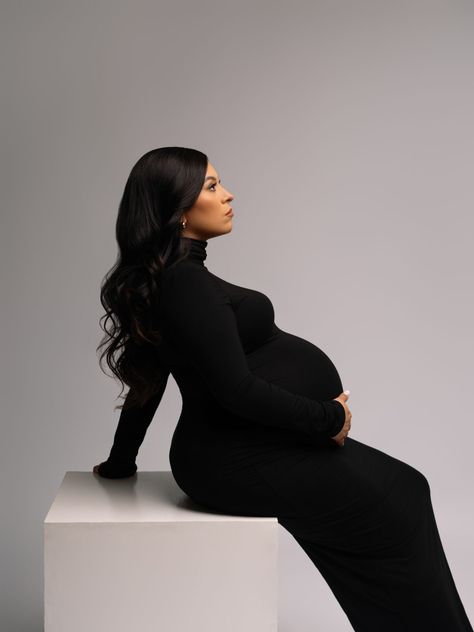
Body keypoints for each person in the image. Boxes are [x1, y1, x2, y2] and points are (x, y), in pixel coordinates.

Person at [93, 146, 473, 632]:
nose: (228, 194)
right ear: (178, 210)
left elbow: (148, 378)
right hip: (235, 456)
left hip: (245, 446)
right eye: (211, 187)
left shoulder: (172, 280)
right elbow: (236, 389)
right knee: (396, 507)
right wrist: (328, 420)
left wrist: (122, 461)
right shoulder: (183, 283)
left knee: (408, 491)